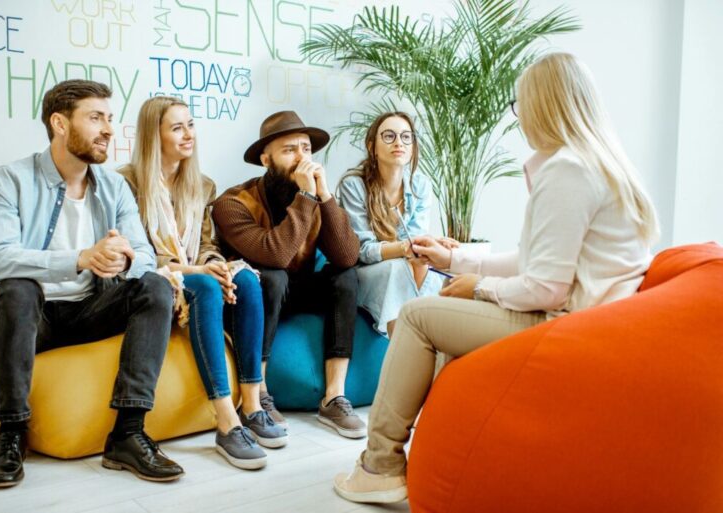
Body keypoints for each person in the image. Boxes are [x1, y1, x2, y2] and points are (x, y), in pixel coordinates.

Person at [333, 52, 660, 503]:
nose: (518, 116)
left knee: (416, 317)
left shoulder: (567, 170)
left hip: (568, 325)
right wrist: (460, 258)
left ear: (542, 105)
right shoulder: (600, 163)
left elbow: (544, 287)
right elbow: (535, 258)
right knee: (445, 309)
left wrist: (480, 287)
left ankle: (380, 463)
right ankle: (447, 448)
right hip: (592, 317)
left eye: (519, 104)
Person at [0, 80, 185, 488]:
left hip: (91, 308)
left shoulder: (114, 186)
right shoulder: (11, 179)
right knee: (16, 288)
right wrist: (80, 258)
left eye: (109, 117)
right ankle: (12, 435)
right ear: (60, 123)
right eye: (95, 118)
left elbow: (143, 255)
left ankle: (127, 433)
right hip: (35, 320)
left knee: (155, 287)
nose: (108, 128)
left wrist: (122, 255)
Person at [120, 96, 286, 470]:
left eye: (190, 125)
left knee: (246, 279)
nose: (188, 134)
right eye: (176, 127)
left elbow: (208, 245)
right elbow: (138, 253)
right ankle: (226, 421)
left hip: (196, 270)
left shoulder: (202, 185)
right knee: (208, 287)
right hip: (152, 279)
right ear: (154, 135)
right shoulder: (126, 183)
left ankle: (253, 405)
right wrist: (201, 273)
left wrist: (217, 266)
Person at [212, 111, 365, 438]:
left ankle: (334, 396)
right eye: (289, 150)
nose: (302, 159)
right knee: (270, 276)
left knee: (346, 276)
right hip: (249, 300)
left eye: (306, 149)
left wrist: (324, 196)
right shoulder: (233, 202)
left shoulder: (314, 195)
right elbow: (275, 255)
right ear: (266, 159)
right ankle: (260, 395)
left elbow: (347, 255)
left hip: (298, 289)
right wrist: (306, 198)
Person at [337, 112, 448, 336]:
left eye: (406, 137)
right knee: (399, 267)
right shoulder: (354, 185)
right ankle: (404, 340)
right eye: (389, 136)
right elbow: (363, 251)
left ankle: (429, 340)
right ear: (372, 146)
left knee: (437, 268)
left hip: (407, 264)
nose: (399, 142)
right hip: (369, 270)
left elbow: (415, 241)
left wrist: (431, 246)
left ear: (413, 147)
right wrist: (404, 249)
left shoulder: (420, 185)